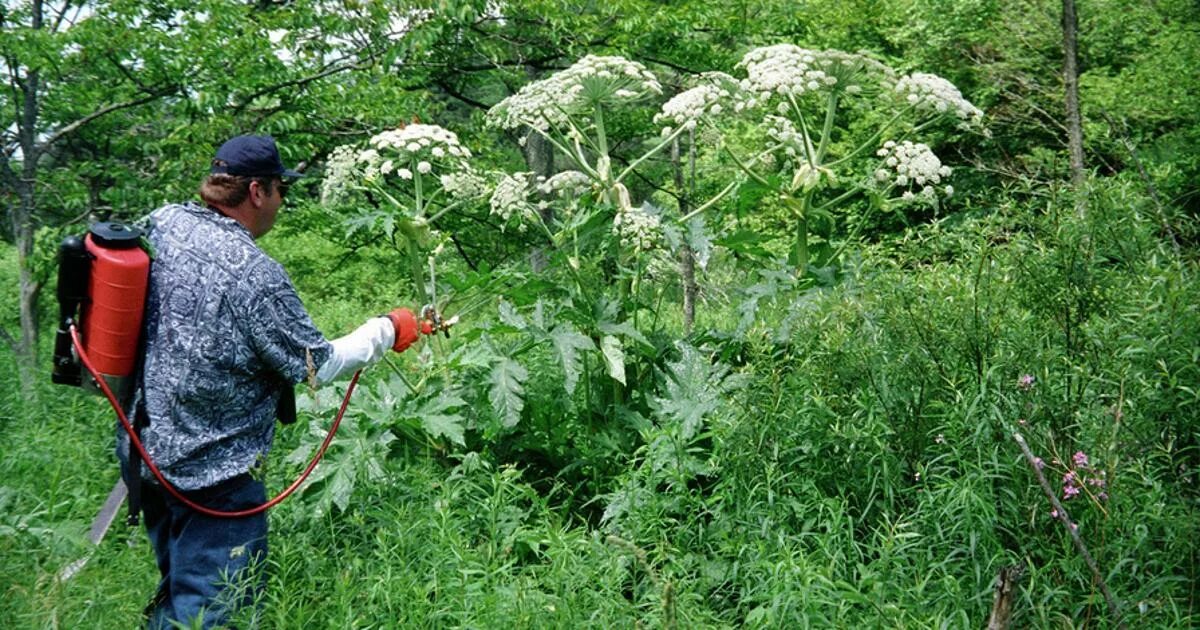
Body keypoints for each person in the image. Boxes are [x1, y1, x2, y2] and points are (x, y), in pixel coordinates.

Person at [118, 135, 428, 628]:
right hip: (214, 474)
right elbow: (316, 365)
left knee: (179, 590)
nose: (282, 202)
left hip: (144, 449)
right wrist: (389, 329)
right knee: (217, 610)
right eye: (282, 190)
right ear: (258, 191)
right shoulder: (254, 275)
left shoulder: (165, 221)